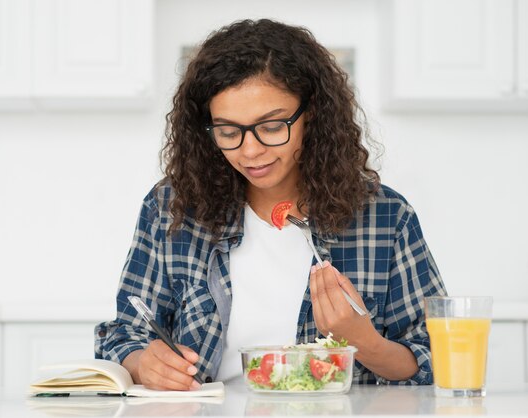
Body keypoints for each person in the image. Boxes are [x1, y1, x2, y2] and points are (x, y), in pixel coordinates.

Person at [95, 18, 446, 390]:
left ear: (312, 115)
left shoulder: (385, 217)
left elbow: (436, 360)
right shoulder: (172, 207)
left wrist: (364, 342)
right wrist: (143, 363)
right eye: (229, 132)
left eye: (272, 127)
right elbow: (123, 335)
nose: (251, 150)